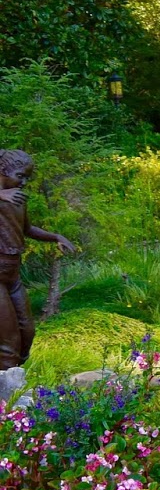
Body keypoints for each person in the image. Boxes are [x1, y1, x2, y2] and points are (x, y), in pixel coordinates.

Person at [0, 150, 77, 373]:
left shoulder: (17, 200)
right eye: (20, 176)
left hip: (12, 274)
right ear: (3, 171)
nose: (23, 182)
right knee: (8, 341)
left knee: (27, 331)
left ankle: (11, 376)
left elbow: (27, 229)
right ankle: (8, 399)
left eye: (27, 178)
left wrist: (56, 237)